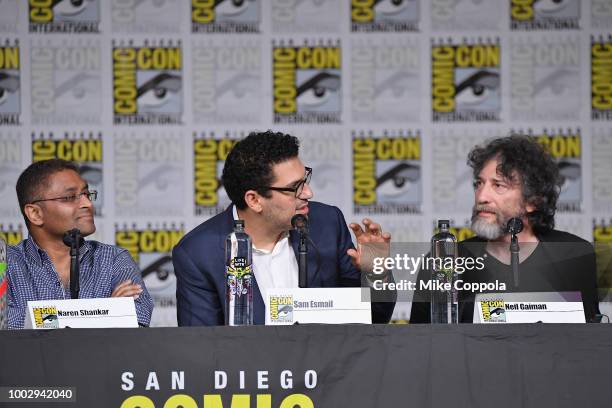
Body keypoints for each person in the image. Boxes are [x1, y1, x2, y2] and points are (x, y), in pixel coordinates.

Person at [173, 131, 395, 325]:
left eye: (305, 179)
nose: (308, 193)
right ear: (254, 200)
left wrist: (376, 273)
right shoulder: (198, 253)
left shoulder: (327, 223)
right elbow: (202, 347)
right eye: (294, 188)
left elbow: (373, 318)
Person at [410, 135, 600, 323]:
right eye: (479, 184)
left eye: (498, 185)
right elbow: (420, 345)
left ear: (532, 201)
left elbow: (589, 343)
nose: (482, 196)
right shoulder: (444, 262)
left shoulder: (574, 254)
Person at [7, 159, 153, 328]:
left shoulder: (114, 260)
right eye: (70, 197)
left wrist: (44, 320)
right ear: (35, 214)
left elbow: (136, 319)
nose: (88, 204)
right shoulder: (6, 263)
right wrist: (104, 313)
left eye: (87, 194)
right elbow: (7, 323)